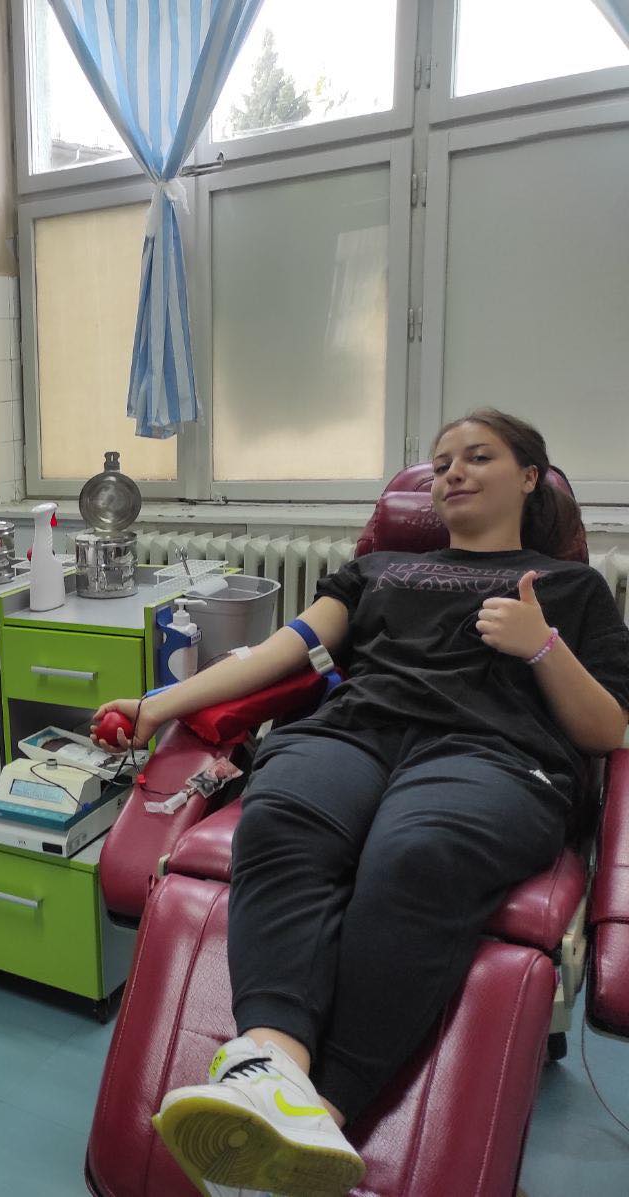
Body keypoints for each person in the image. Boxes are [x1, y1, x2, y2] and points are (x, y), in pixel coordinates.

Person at [91, 410, 629, 1197]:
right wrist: (155, 704)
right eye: (441, 463)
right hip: (355, 733)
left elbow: (607, 727)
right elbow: (278, 651)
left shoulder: (571, 586)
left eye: (479, 456)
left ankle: (320, 1110)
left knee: (415, 853)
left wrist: (539, 643)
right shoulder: (377, 570)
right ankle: (271, 1059)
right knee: (279, 816)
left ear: (528, 477)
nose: (453, 472)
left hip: (492, 753)